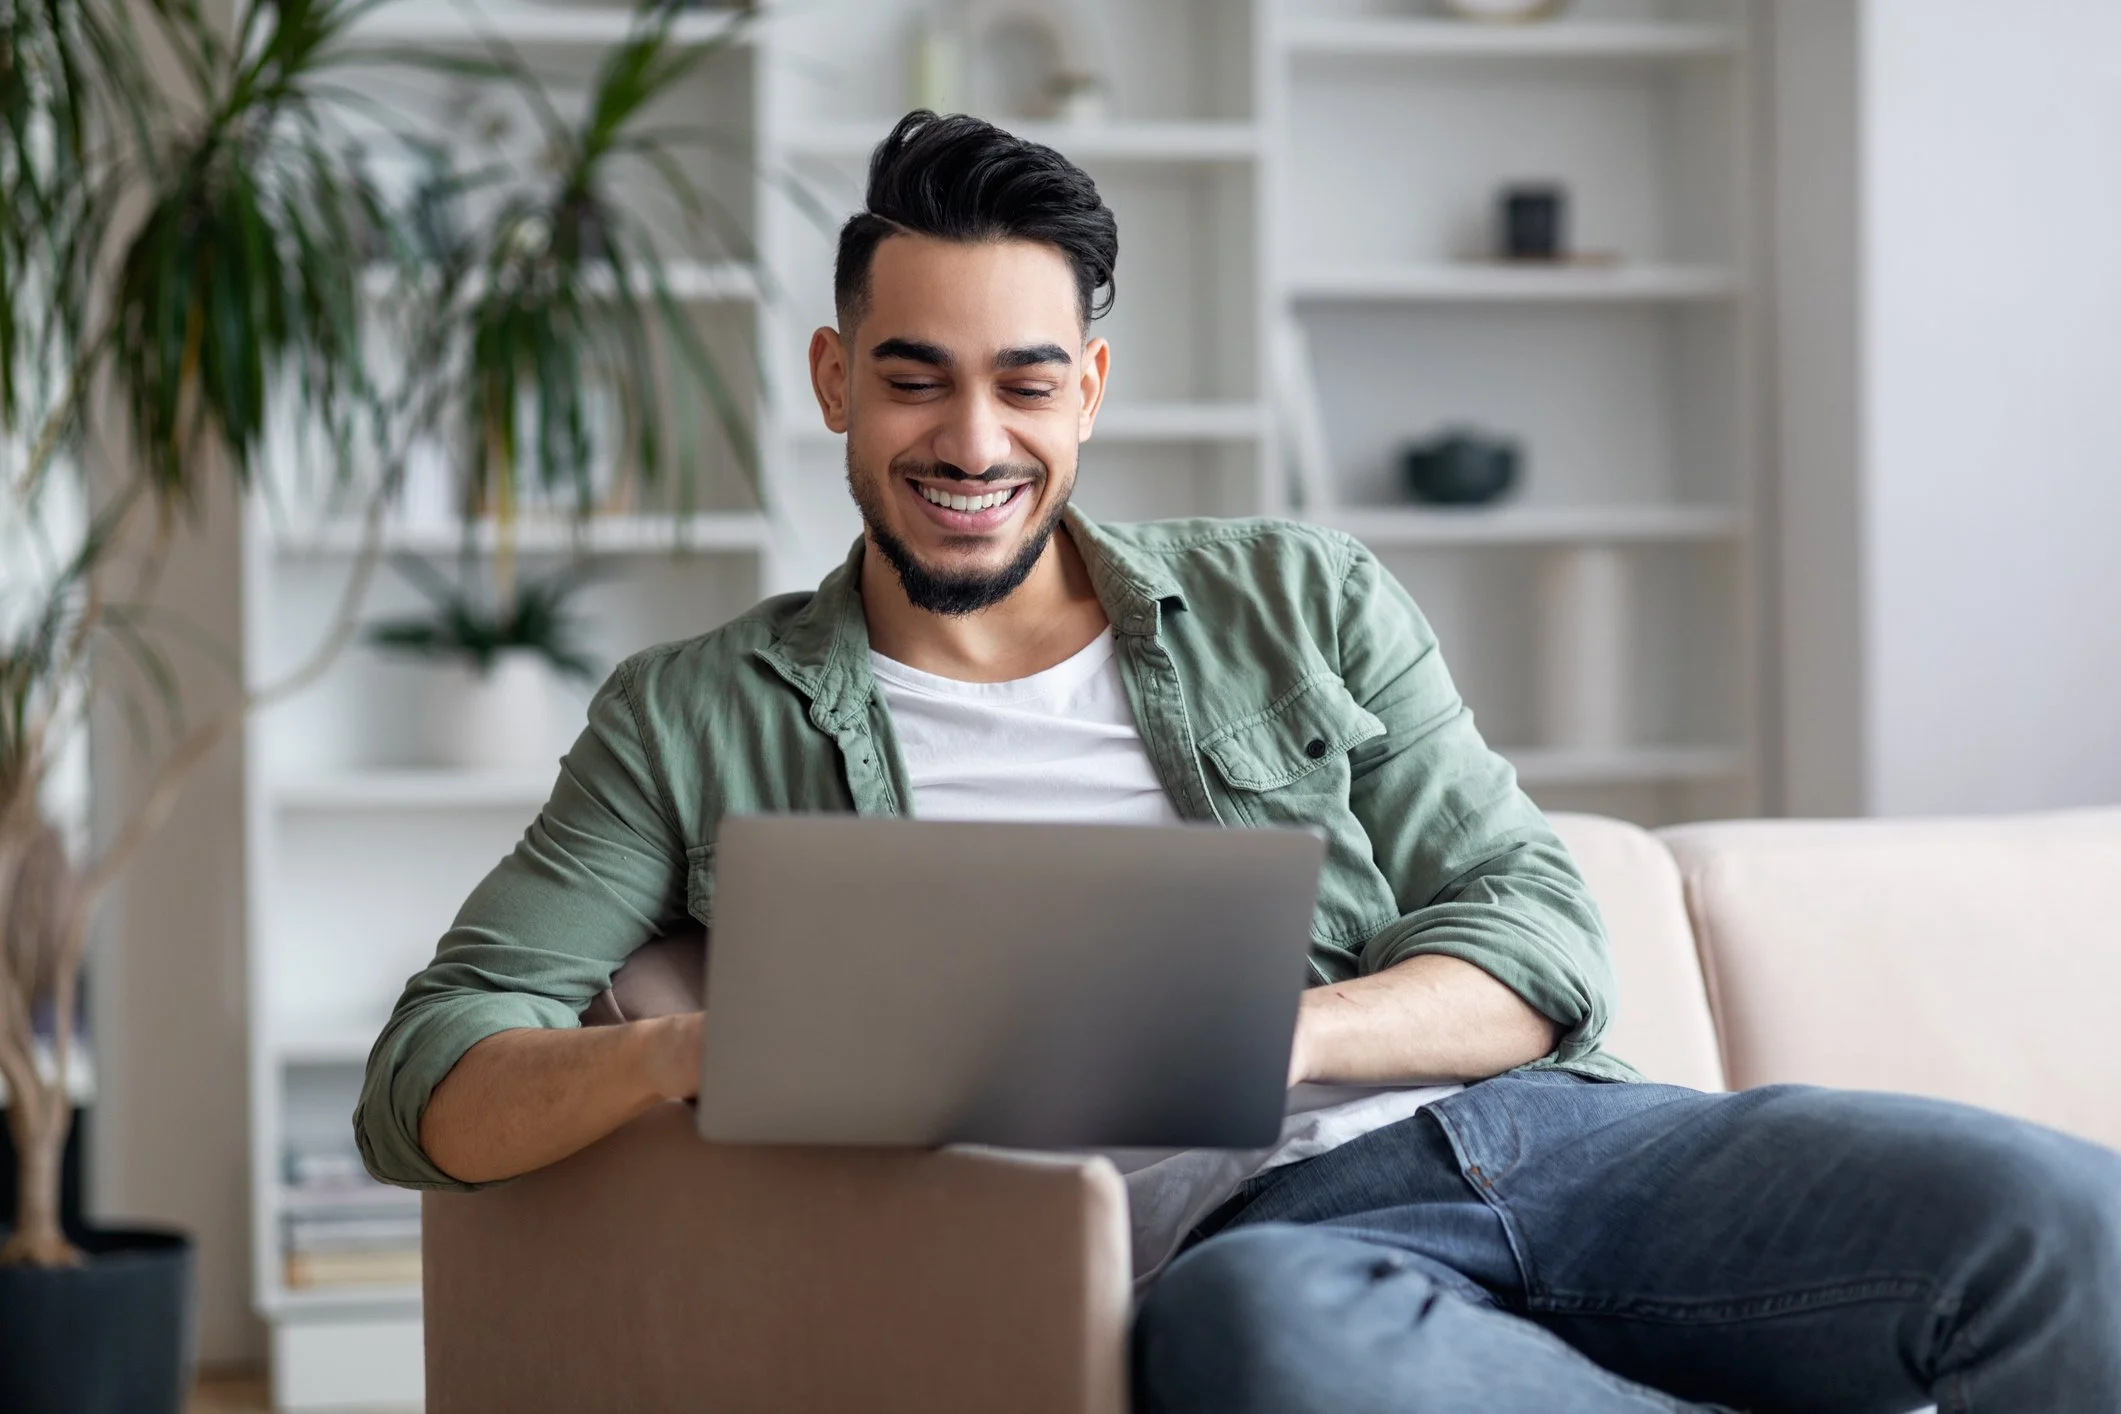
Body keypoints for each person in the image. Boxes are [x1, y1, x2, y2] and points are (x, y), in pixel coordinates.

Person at [355, 111, 2121, 1412]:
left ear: (1093, 389)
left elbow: (1535, 930)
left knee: (2055, 1212)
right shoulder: (691, 714)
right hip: (1268, 1254)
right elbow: (427, 1079)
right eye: (914, 380)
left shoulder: (1301, 594)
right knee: (1269, 1351)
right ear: (833, 380)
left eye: (1026, 382)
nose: (971, 439)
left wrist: (1277, 1033)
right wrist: (699, 1051)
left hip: (1560, 1142)